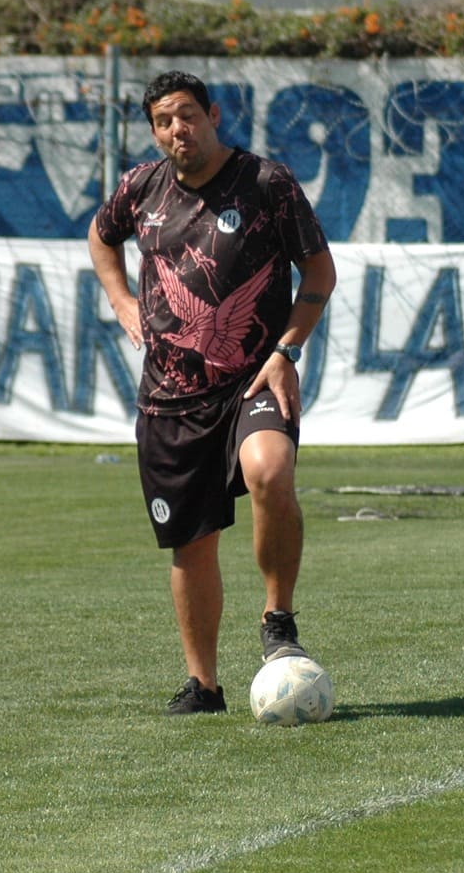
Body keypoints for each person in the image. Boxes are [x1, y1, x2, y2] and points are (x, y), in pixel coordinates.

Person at [89, 70, 337, 714]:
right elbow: (101, 236)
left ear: (213, 115)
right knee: (190, 545)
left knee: (271, 471)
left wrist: (286, 351)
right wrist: (120, 299)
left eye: (189, 116)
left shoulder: (265, 184)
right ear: (154, 130)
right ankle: (204, 686)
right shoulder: (139, 188)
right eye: (165, 120)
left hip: (253, 377)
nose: (179, 129)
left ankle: (278, 620)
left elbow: (319, 269)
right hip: (169, 401)